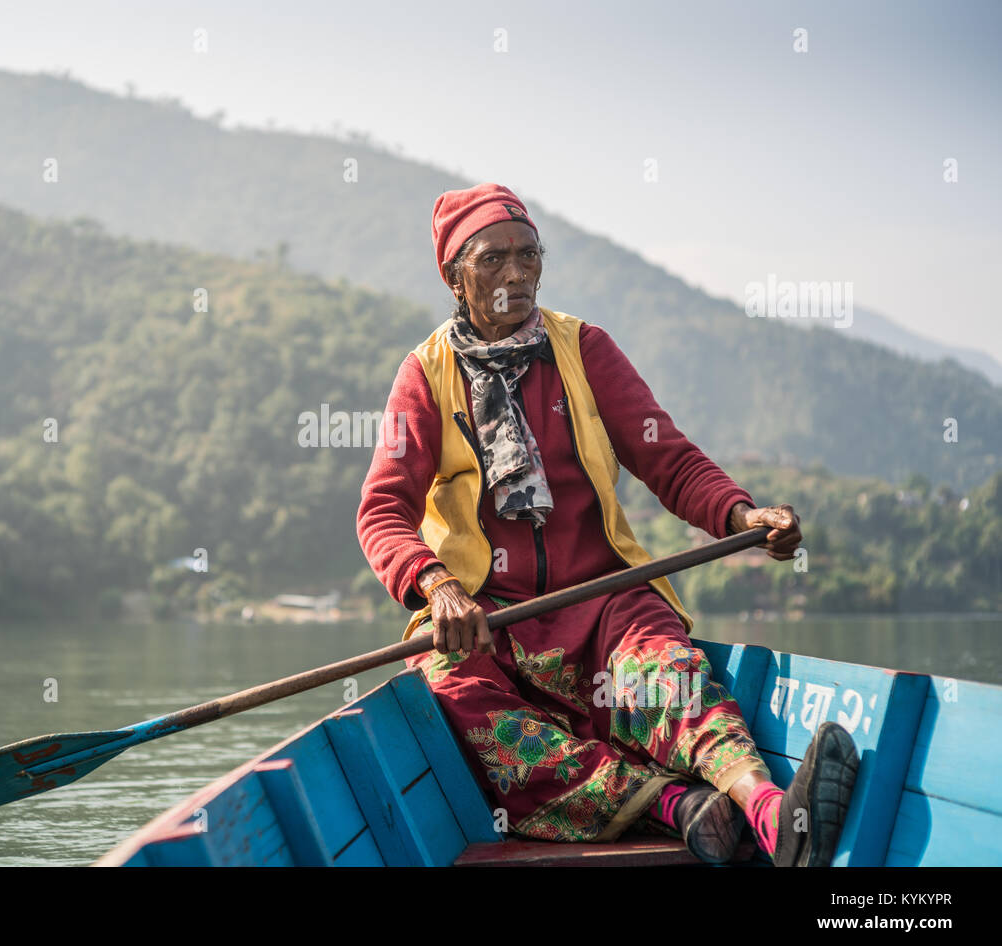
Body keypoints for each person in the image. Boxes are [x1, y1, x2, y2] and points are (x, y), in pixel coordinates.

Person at [356, 182, 858, 865]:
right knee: (447, 688)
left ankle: (772, 813)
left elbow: (668, 459)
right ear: (452, 275)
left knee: (668, 673)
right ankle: (673, 804)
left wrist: (742, 512)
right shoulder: (423, 375)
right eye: (494, 258)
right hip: (491, 620)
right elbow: (383, 511)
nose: (517, 273)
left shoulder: (584, 349)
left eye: (529, 255)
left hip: (606, 605)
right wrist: (436, 583)